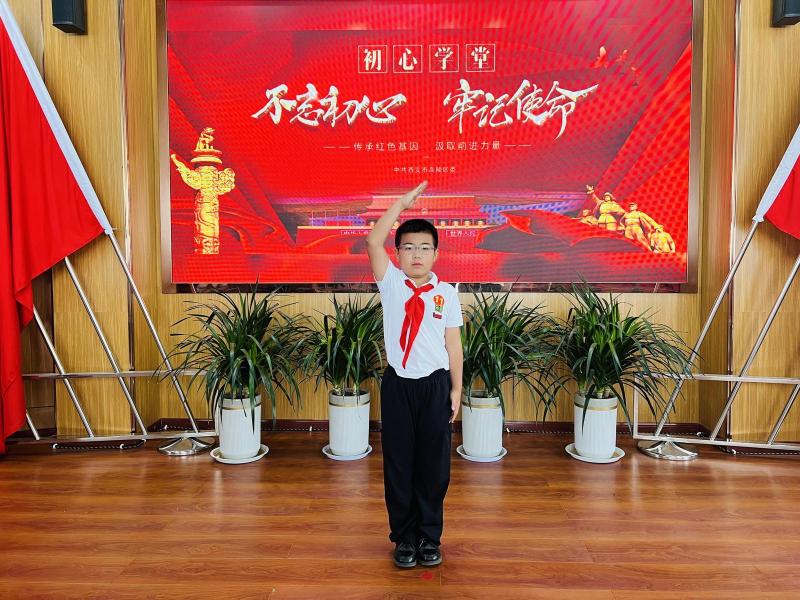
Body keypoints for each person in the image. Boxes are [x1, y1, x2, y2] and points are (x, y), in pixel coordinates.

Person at [365, 181, 464, 569]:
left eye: (424, 247)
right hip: (398, 386)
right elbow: (373, 241)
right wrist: (400, 204)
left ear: (436, 253)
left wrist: (456, 389)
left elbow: (453, 345)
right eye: (408, 247)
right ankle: (404, 537)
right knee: (399, 464)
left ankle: (429, 536)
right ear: (398, 254)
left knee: (434, 466)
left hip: (435, 385)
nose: (417, 254)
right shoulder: (391, 283)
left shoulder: (447, 294)